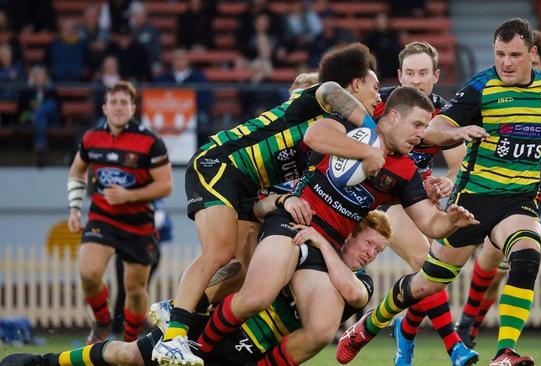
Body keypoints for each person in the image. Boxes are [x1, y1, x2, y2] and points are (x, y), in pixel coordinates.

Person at [336, 18, 541, 366]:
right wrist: (458, 131)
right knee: (426, 283)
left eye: (514, 55)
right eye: (500, 54)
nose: (506, 63)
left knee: (528, 249)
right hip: (472, 204)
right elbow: (435, 129)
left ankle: (504, 353)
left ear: (531, 54)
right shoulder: (480, 87)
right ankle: (369, 325)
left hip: (518, 202)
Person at [195, 86, 478, 365]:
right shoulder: (356, 127)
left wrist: (450, 221)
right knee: (257, 296)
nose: (422, 133)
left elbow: (430, 224)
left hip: (327, 244)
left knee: (321, 330)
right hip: (294, 221)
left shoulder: (406, 172)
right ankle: (198, 350)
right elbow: (315, 134)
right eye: (417, 124)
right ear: (393, 116)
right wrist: (366, 153)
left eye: (426, 126)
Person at [152, 43, 385, 365]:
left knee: (247, 271)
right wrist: (371, 134)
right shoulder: (323, 102)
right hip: (222, 163)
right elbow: (331, 88)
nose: (378, 97)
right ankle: (175, 334)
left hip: (248, 188)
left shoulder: (341, 135)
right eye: (374, 88)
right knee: (219, 251)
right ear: (356, 84)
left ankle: (181, 307)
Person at [0, 209, 391, 366]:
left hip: (254, 351)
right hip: (218, 326)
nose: (372, 253)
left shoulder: (361, 281)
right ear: (350, 233)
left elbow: (354, 295)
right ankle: (45, 363)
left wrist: (322, 244)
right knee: (128, 356)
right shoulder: (298, 245)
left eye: (379, 250)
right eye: (369, 243)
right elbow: (243, 268)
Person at [451, 29, 541, 349]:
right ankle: (469, 322)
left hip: (532, 192)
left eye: (533, 62)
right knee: (489, 261)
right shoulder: (494, 92)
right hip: (494, 187)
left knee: (502, 264)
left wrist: (527, 131)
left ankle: (472, 325)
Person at [373, 41, 475, 366]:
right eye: (410, 73)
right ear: (399, 75)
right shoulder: (378, 104)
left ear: (436, 76)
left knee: (435, 273)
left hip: (416, 200)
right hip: (380, 198)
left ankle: (406, 328)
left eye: (423, 73)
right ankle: (454, 346)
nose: (416, 80)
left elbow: (459, 165)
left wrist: (448, 181)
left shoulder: (444, 114)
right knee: (425, 261)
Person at [67, 81, 173, 344]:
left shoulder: (151, 141)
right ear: (104, 107)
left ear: (133, 108)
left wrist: (130, 195)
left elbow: (166, 185)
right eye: (113, 102)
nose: (118, 107)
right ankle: (103, 324)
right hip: (103, 218)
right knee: (88, 273)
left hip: (138, 224)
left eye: (124, 102)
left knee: (135, 291)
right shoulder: (91, 138)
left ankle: (130, 342)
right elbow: (76, 171)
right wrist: (74, 207)